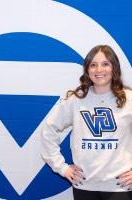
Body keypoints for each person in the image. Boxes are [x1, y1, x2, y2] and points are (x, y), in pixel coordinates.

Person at [41, 45, 132, 200]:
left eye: (105, 64)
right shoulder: (76, 100)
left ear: (114, 67)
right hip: (84, 185)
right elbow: (49, 131)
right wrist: (62, 168)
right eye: (93, 65)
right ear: (87, 69)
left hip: (120, 187)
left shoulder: (129, 99)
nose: (99, 70)